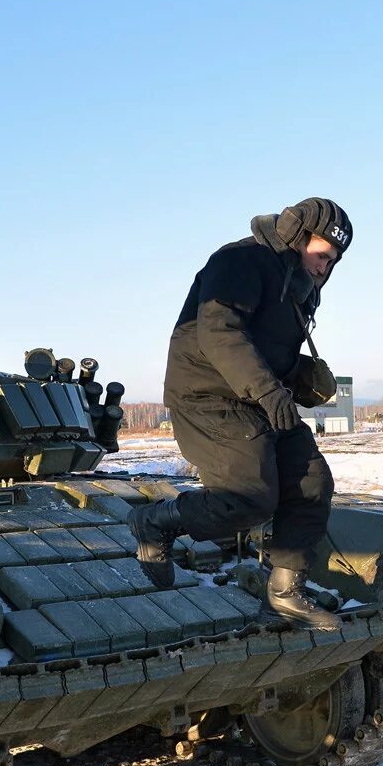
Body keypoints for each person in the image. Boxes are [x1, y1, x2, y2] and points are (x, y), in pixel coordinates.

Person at [128, 197, 352, 629]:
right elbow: (219, 333)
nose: (326, 267)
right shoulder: (239, 261)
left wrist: (299, 374)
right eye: (323, 255)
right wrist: (270, 389)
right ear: (297, 236)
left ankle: (284, 594)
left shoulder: (299, 285)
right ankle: (154, 521)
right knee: (250, 498)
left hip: (261, 396)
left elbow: (266, 345)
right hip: (207, 394)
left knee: (311, 483)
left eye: (334, 261)